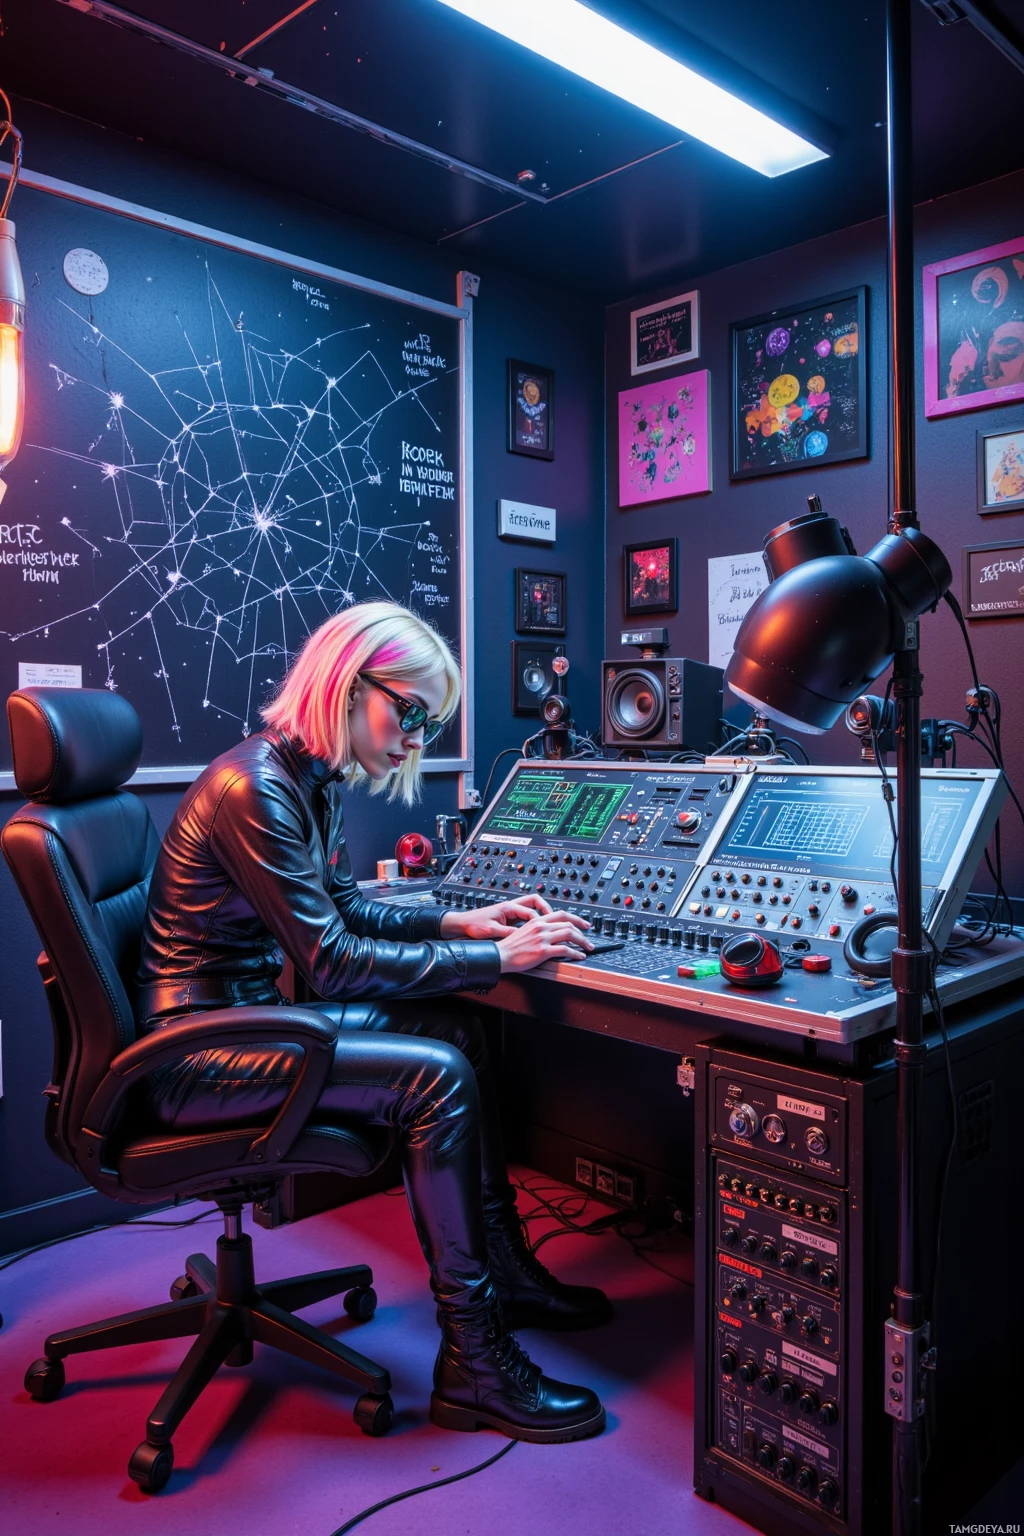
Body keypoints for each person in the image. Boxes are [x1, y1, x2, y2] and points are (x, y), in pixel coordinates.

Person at [137, 601, 609, 1444]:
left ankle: (503, 1273)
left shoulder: (303, 778)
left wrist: (457, 923)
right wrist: (501, 960)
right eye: (412, 714)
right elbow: (334, 963)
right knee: (436, 1074)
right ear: (350, 685)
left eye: (429, 725)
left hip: (250, 1025)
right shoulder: (255, 788)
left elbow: (347, 910)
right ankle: (476, 1360)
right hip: (195, 1056)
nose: (414, 740)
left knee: (456, 1033)